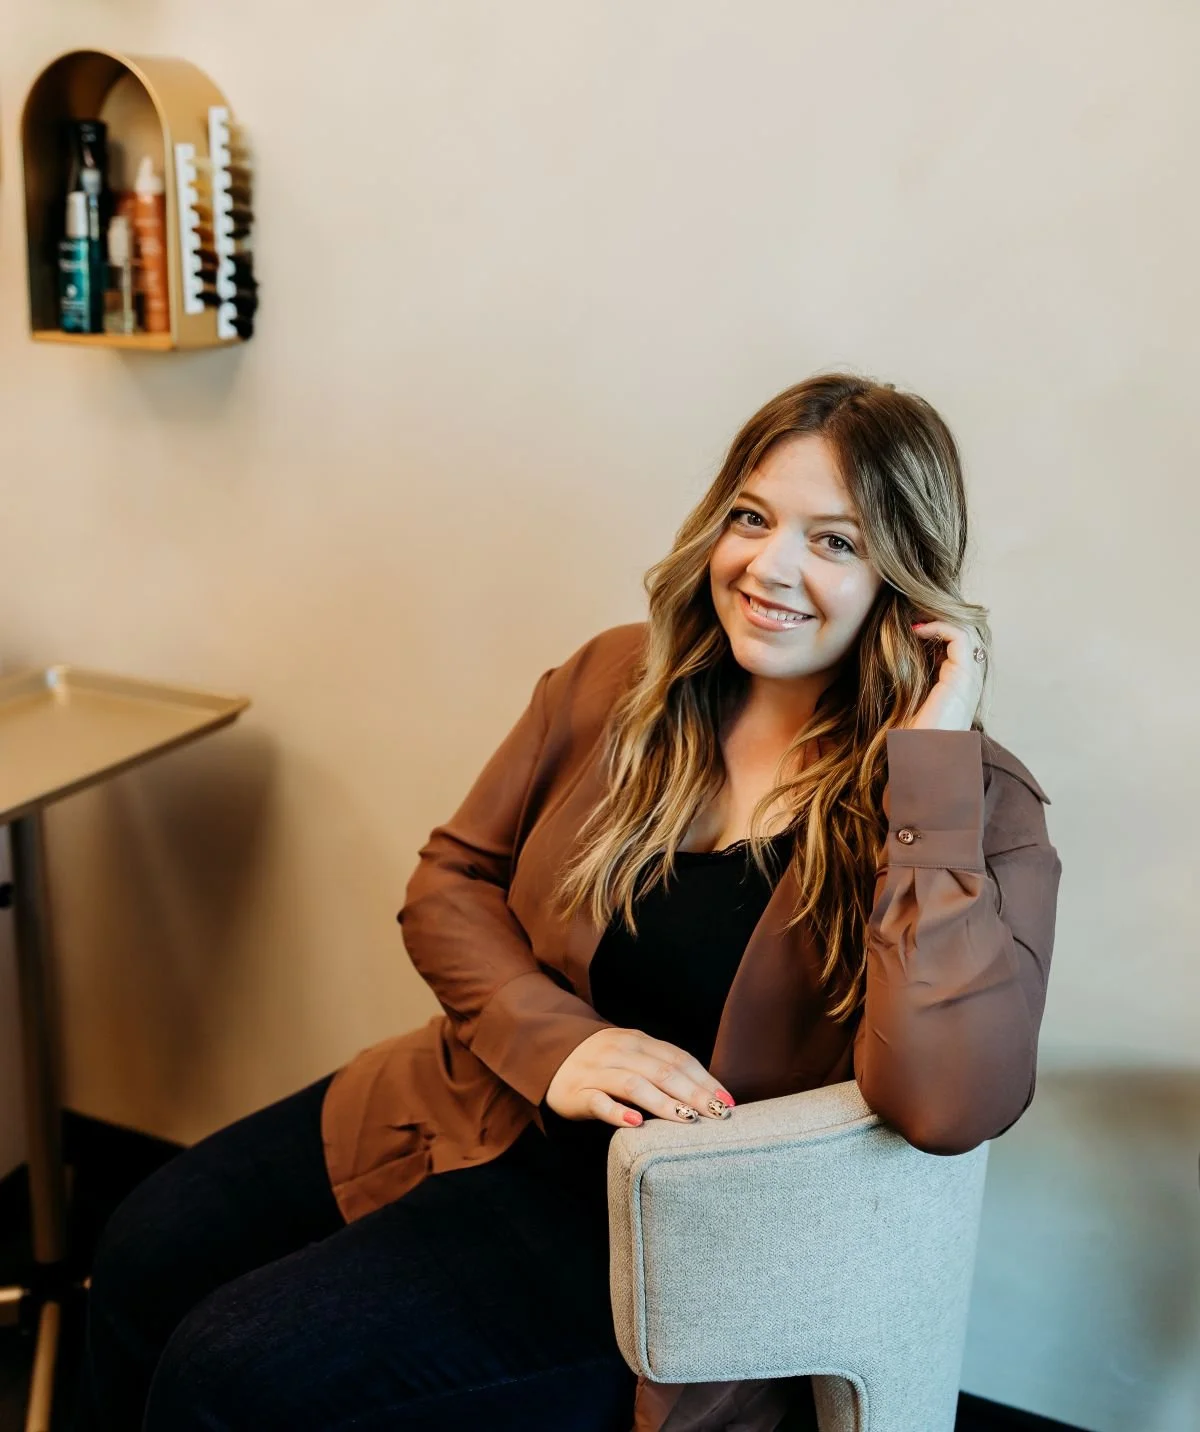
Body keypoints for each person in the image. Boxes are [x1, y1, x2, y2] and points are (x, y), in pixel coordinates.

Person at [73, 372, 1062, 1432]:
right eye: (752, 517)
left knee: (232, 1370)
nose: (770, 567)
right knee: (140, 1249)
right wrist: (560, 1045)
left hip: (652, 1224)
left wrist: (930, 774)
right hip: (474, 1100)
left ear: (903, 582)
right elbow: (448, 884)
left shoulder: (971, 805)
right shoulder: (615, 683)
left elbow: (946, 1104)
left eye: (836, 541)